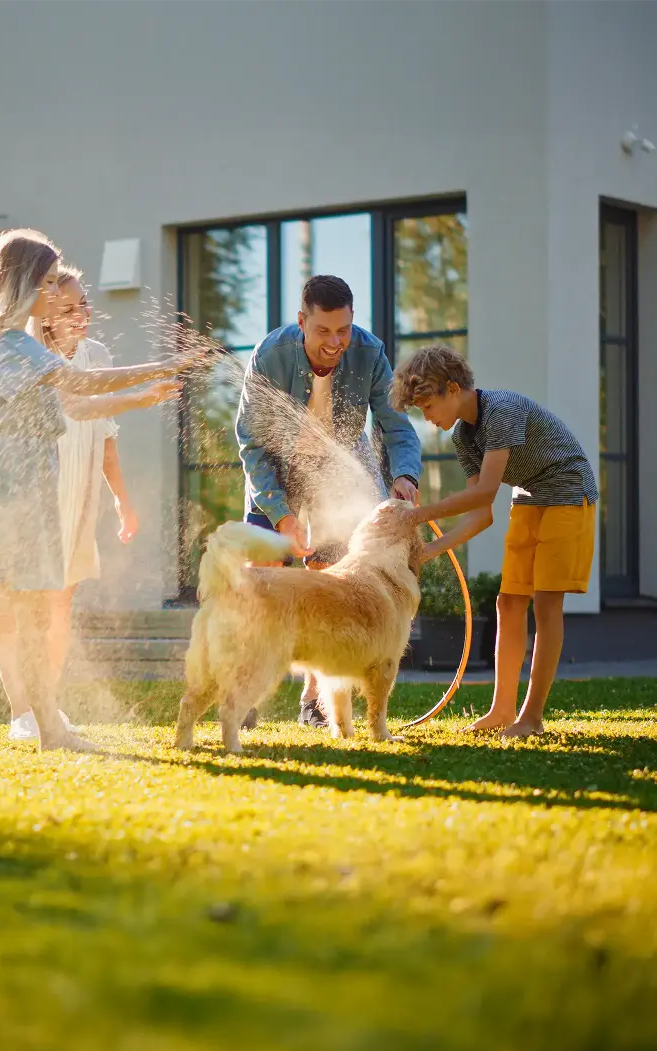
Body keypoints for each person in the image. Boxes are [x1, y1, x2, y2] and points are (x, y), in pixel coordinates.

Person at [0, 228, 199, 752]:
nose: (58, 291)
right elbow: (80, 383)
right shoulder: (12, 344)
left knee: (5, 615)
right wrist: (162, 365)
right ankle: (50, 731)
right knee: (32, 613)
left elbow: (73, 407)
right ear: (26, 284)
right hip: (15, 487)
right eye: (52, 281)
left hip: (19, 481)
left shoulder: (14, 345)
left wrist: (142, 397)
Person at [236, 274, 422, 727]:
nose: (335, 342)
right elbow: (252, 444)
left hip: (338, 468)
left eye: (344, 330)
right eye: (323, 331)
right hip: (275, 468)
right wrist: (281, 516)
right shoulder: (270, 355)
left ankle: (314, 704)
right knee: (260, 579)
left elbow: (396, 425)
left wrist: (404, 474)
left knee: (331, 581)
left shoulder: (370, 352)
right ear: (302, 321)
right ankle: (243, 695)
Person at [391, 343, 598, 738]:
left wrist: (418, 515)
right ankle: (503, 711)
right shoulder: (463, 437)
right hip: (530, 494)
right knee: (509, 602)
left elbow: (485, 492)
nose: (427, 417)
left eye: (428, 406)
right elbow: (481, 514)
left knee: (546, 602)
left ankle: (531, 717)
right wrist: (429, 552)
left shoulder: (501, 410)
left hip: (568, 490)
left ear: (453, 389)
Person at [3, 265, 143, 740]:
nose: (83, 314)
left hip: (79, 499)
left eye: (84, 304)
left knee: (60, 604)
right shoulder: (28, 358)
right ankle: (22, 713)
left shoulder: (96, 354)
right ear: (44, 314)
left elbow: (105, 438)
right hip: (34, 498)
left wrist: (122, 501)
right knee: (23, 610)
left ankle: (47, 705)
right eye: (69, 308)